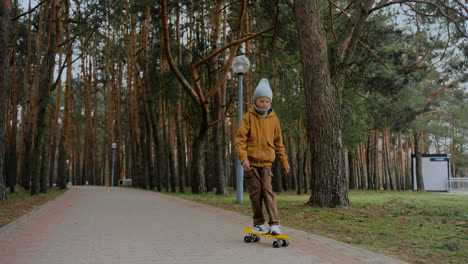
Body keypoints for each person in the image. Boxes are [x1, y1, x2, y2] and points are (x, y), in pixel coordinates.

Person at [235, 78, 290, 235]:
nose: (264, 104)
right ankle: (259, 223)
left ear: (270, 102)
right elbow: (240, 140)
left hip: (266, 163)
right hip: (250, 164)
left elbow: (279, 143)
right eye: (261, 100)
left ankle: (275, 224)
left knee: (267, 191)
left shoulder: (274, 120)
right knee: (255, 193)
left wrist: (284, 162)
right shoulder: (248, 117)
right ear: (255, 101)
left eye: (267, 101)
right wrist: (243, 159)